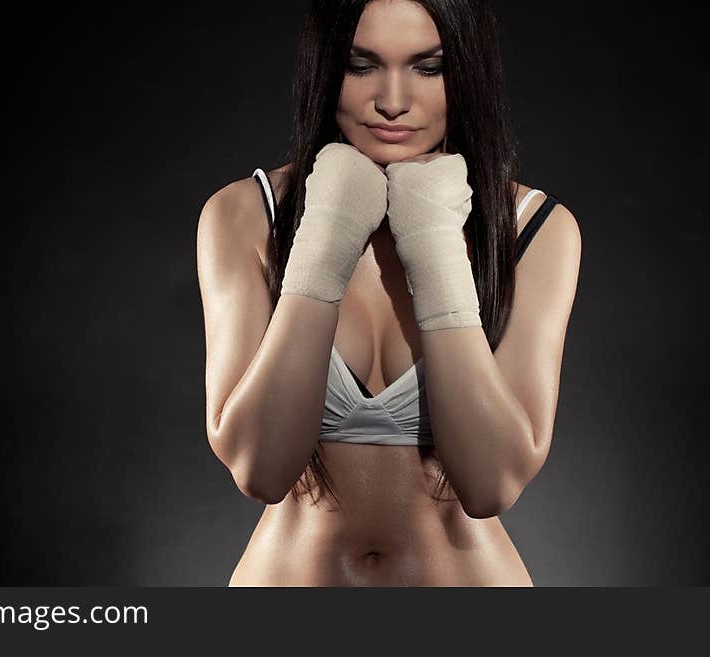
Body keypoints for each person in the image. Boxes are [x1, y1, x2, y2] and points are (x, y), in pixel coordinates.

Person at [196, 0, 581, 586]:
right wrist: (322, 244)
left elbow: (493, 482)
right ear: (327, 70)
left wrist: (433, 242)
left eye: (428, 67)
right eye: (361, 65)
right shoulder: (246, 215)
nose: (394, 100)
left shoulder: (532, 227)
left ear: (466, 74)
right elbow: (260, 469)